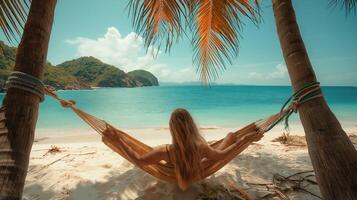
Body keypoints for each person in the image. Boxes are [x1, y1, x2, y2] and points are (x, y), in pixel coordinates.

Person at [105, 108, 262, 190]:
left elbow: (138, 159)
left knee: (225, 141)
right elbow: (220, 157)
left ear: (172, 128)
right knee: (229, 137)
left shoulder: (164, 151)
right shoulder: (200, 146)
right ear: (191, 126)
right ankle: (232, 137)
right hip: (199, 166)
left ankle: (231, 137)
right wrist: (244, 140)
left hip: (183, 173)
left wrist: (118, 140)